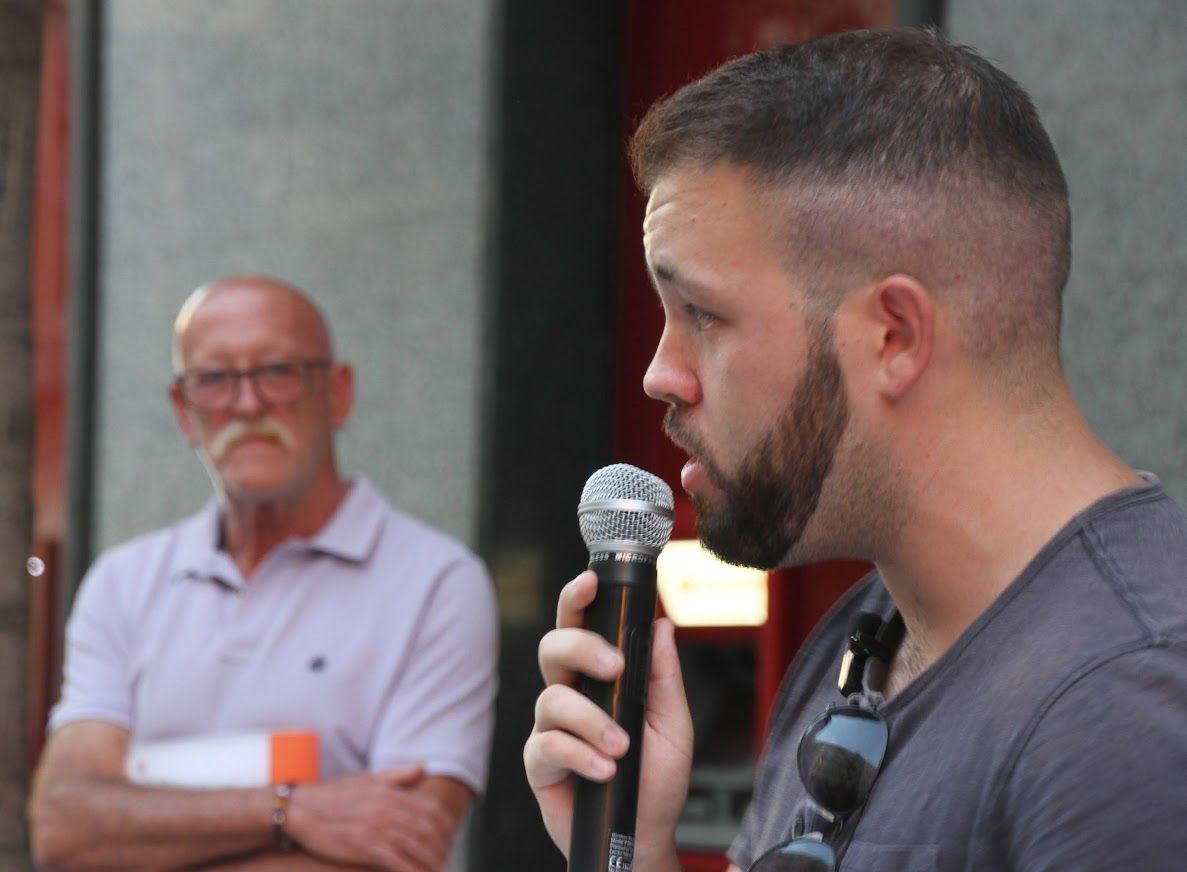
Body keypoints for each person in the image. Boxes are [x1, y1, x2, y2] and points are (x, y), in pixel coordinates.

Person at [524, 27, 1187, 872]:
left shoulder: (1125, 707)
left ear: (892, 335)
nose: (660, 375)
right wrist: (631, 850)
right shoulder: (866, 637)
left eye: (702, 315)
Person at [30, 275, 498, 872]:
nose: (247, 404)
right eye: (216, 379)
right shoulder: (122, 583)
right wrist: (292, 813)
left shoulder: (437, 585)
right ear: (183, 409)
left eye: (277, 371)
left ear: (337, 393)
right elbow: (63, 826)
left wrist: (141, 835)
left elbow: (403, 846)